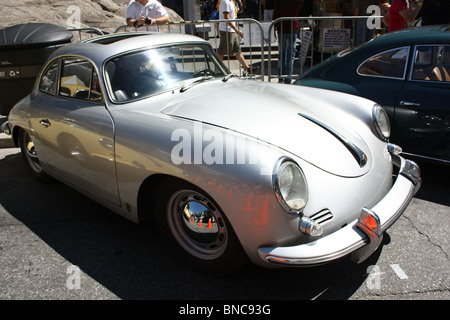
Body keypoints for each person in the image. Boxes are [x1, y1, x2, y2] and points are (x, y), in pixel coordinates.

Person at [218, 0, 256, 74]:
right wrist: (236, 29)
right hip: (226, 30)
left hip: (231, 30)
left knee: (237, 49)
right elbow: (227, 18)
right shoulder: (225, 2)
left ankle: (247, 68)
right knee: (222, 51)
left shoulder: (231, 1)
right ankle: (217, 69)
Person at [273, 0, 303, 84]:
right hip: (291, 27)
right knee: (290, 55)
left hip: (282, 27)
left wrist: (275, 27)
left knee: (282, 54)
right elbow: (301, 5)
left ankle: (281, 77)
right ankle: (287, 78)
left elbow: (276, 12)